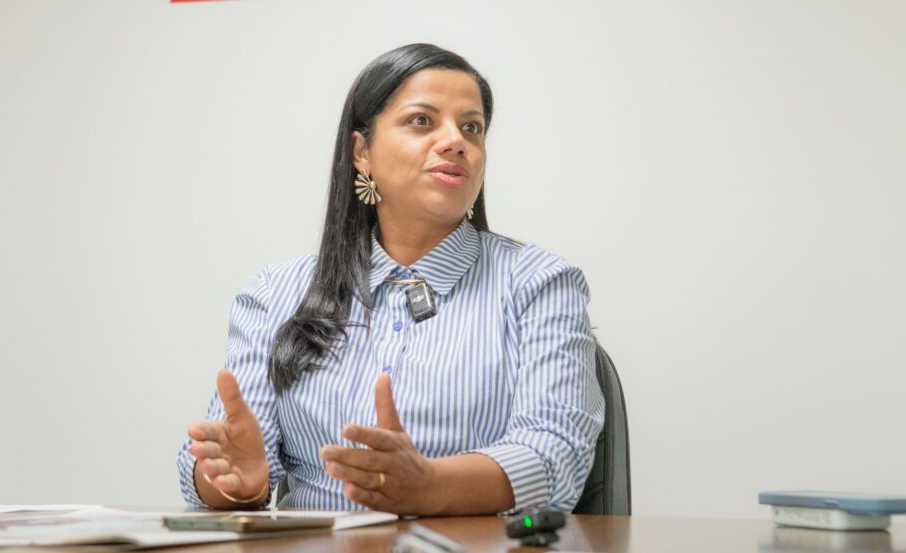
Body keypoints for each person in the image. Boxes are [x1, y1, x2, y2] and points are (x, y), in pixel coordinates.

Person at [177, 43, 604, 516]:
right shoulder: (275, 294)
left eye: (471, 127)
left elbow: (556, 454)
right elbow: (226, 461)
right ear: (362, 152)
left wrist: (430, 486)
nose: (455, 141)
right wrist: (234, 482)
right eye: (422, 120)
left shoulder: (541, 284)